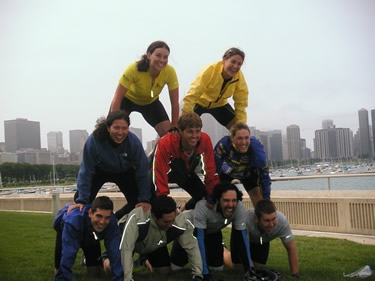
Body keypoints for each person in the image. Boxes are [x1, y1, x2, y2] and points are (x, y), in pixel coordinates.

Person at [70, 110, 152, 219]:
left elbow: (142, 171)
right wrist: (82, 200)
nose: (120, 132)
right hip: (100, 170)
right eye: (116, 128)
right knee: (82, 204)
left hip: (125, 171)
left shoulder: (133, 142)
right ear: (108, 128)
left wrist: (144, 199)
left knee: (140, 202)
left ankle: (115, 219)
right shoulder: (94, 141)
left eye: (124, 128)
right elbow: (86, 171)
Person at [170, 182, 253, 281]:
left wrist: (250, 270)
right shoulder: (204, 206)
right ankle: (147, 261)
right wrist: (205, 273)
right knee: (173, 269)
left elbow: (242, 239)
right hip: (190, 233)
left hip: (213, 233)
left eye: (234, 200)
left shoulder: (239, 207)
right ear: (218, 200)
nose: (231, 205)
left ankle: (222, 248)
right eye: (226, 200)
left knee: (217, 269)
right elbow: (200, 239)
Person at [118, 195, 203, 281]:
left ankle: (143, 260)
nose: (170, 224)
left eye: (172, 220)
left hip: (154, 244)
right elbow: (126, 248)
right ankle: (105, 259)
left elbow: (192, 247)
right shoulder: (138, 218)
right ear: (154, 216)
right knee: (110, 267)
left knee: (164, 272)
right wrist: (128, 278)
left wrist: (198, 275)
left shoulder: (179, 220)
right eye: (166, 222)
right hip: (125, 241)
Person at [110, 40, 179, 137]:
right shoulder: (134, 69)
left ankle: (156, 152)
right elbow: (117, 98)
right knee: (113, 130)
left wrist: (175, 125)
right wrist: (114, 121)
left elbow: (175, 103)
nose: (162, 60)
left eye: (165, 57)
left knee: (169, 135)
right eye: (158, 55)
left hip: (151, 102)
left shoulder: (170, 72)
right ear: (149, 55)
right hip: (127, 100)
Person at [152, 112, 219, 211]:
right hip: (160, 172)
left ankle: (181, 210)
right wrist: (163, 199)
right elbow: (159, 173)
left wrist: (211, 194)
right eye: (190, 132)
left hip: (185, 172)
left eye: (197, 131)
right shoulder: (166, 143)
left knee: (203, 197)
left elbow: (210, 170)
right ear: (180, 131)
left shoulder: (205, 140)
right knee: (154, 204)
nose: (194, 136)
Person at [53, 196, 123, 281]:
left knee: (95, 273)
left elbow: (114, 251)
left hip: (91, 235)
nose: (102, 222)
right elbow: (69, 252)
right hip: (66, 232)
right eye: (99, 216)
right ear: (90, 213)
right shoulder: (73, 220)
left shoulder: (112, 222)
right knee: (61, 268)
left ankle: (85, 260)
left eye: (107, 217)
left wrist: (119, 278)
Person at [229, 199, 300, 278]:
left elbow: (291, 247)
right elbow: (244, 249)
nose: (271, 224)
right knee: (238, 268)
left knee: (259, 268)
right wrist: (252, 275)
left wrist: (295, 274)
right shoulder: (246, 221)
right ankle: (223, 251)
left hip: (261, 239)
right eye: (267, 220)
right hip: (242, 239)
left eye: (273, 219)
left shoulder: (282, 221)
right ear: (256, 218)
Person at [181, 47, 248, 130]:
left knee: (239, 129)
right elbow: (193, 94)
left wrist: (241, 126)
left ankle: (234, 141)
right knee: (182, 126)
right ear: (224, 60)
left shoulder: (239, 78)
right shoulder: (209, 71)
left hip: (220, 105)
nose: (235, 66)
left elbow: (241, 103)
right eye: (233, 62)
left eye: (239, 64)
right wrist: (186, 117)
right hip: (199, 102)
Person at [214, 122, 271, 207]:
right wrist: (211, 197)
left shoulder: (256, 147)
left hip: (248, 173)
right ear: (232, 138)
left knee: (261, 203)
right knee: (216, 199)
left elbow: (264, 175)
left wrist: (266, 200)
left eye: (246, 138)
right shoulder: (224, 144)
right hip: (227, 173)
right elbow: (213, 169)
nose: (243, 142)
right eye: (239, 138)